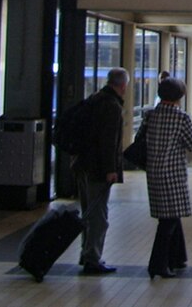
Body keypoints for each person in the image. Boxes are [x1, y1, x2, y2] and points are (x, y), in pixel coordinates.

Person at [73, 67, 128, 275]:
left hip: (82, 165)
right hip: (97, 169)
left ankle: (85, 253)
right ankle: (92, 259)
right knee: (98, 216)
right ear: (122, 85)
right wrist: (110, 169)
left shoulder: (94, 99)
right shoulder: (112, 106)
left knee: (88, 211)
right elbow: (108, 141)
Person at [144, 77, 192, 279]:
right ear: (179, 96)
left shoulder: (150, 115)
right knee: (168, 221)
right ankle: (157, 264)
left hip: (153, 172)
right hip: (173, 173)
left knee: (170, 216)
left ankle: (177, 258)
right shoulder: (181, 118)